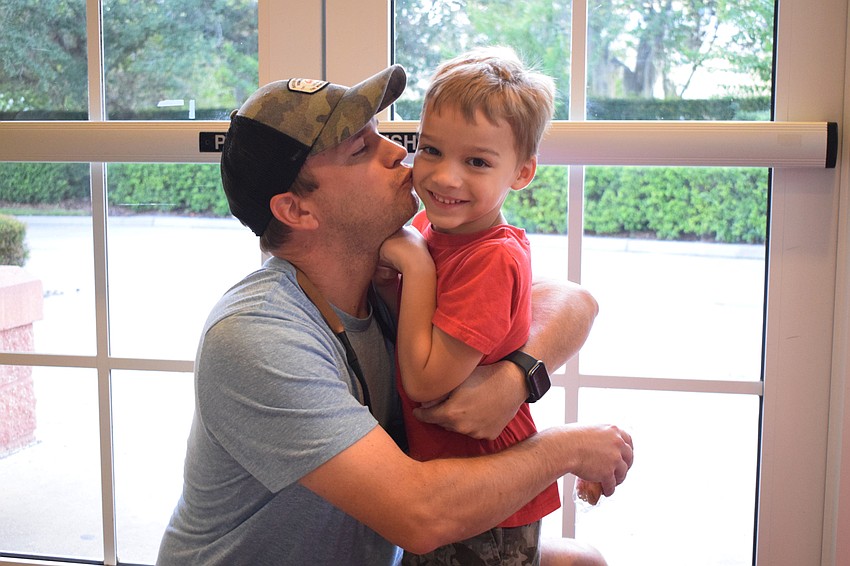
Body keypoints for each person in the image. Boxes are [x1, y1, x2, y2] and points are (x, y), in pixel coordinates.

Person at [156, 64, 633, 566]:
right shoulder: (259, 337)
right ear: (297, 211)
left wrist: (514, 379)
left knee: (581, 560)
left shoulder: (379, 279)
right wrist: (566, 449)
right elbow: (420, 517)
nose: (397, 152)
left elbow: (572, 300)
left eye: (380, 134)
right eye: (361, 149)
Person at [376, 46, 565, 565]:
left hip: (489, 502)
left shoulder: (490, 259)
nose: (445, 177)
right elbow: (416, 322)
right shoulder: (433, 229)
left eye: (477, 162)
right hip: (449, 480)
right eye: (431, 150)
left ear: (522, 172)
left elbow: (425, 381)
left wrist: (414, 267)